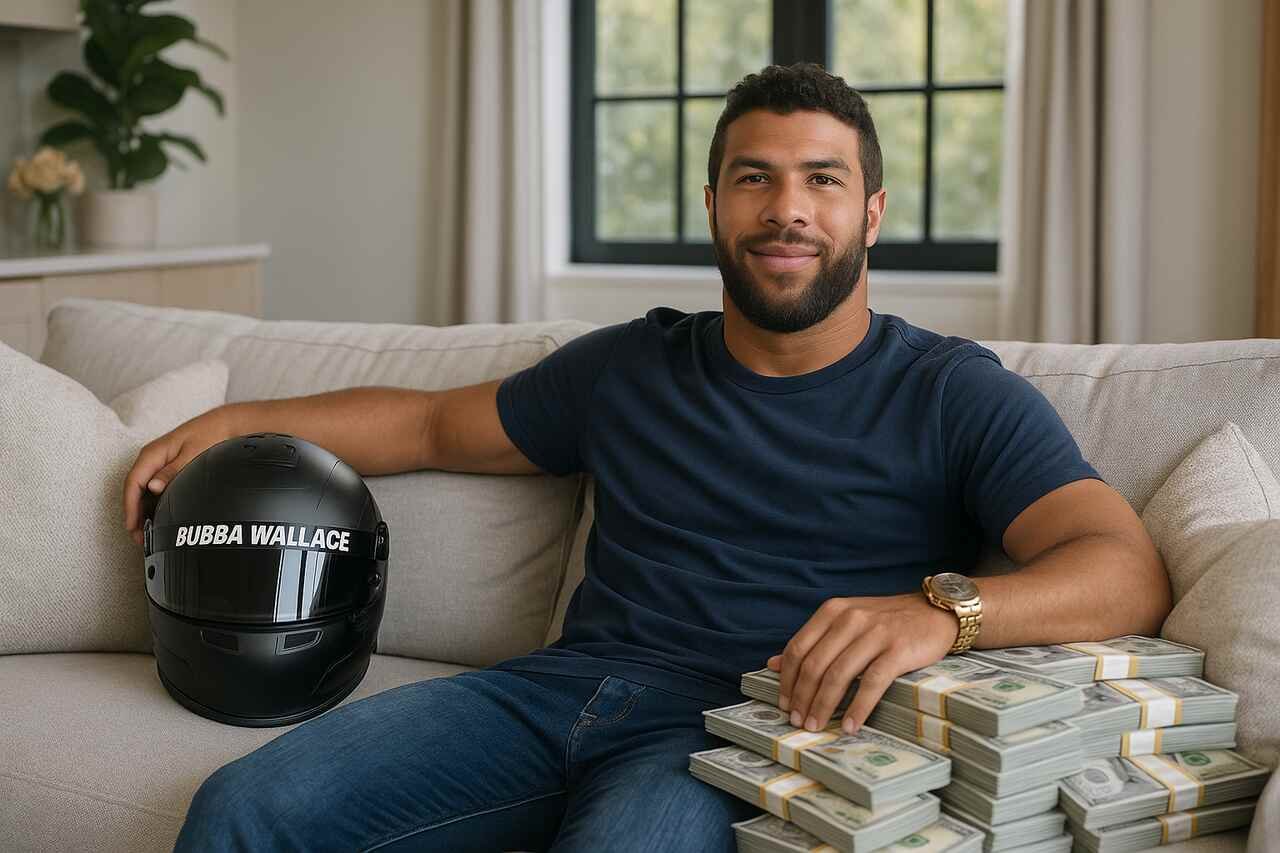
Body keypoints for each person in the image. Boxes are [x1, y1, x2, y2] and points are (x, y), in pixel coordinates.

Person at [123, 62, 1172, 852]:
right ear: (712, 204)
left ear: (871, 213)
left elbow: (1121, 566)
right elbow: (433, 424)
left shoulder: (951, 391)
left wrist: (943, 613)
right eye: (753, 178)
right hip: (543, 697)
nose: (787, 209)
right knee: (240, 809)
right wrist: (240, 420)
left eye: (821, 180)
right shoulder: (629, 365)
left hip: (740, 728)